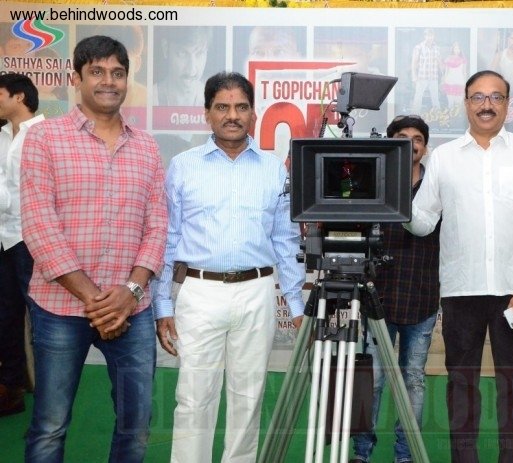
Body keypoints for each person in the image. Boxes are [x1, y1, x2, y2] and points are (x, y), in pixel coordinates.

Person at [20, 35, 167, 462]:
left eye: (118, 73)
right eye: (97, 72)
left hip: (132, 310)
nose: (109, 81)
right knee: (50, 427)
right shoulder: (44, 138)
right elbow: (40, 227)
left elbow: (158, 226)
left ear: (127, 80)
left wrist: (130, 294)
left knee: (137, 427)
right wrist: (98, 302)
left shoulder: (146, 146)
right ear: (76, 78)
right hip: (59, 308)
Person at [152, 71, 305, 463]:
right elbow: (168, 238)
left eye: (241, 107)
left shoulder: (274, 169)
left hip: (257, 291)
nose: (232, 115)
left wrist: (296, 303)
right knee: (193, 398)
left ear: (253, 113)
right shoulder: (183, 166)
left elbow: (285, 240)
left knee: (248, 398)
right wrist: (162, 305)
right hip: (199, 292)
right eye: (222, 107)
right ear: (207, 113)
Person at [404, 70, 513, 462]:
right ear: (466, 103)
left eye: (495, 97)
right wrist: (393, 202)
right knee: (462, 388)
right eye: (478, 97)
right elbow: (423, 221)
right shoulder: (444, 158)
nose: (486, 105)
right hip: (461, 291)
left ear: (508, 104)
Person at [350, 115, 440, 463]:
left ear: (425, 147)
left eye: (417, 138)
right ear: (390, 143)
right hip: (378, 297)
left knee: (413, 381)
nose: (410, 144)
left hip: (422, 296)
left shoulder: (437, 186)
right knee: (370, 380)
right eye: (402, 137)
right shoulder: (374, 183)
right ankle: (361, 452)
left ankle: (407, 454)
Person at [0, 73, 44, 417]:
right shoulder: (0, 135)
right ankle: (12, 388)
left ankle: (49, 391)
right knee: (6, 317)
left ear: (19, 96)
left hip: (34, 240)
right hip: (4, 239)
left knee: (43, 320)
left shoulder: (46, 134)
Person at [153, 26, 212, 107]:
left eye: (199, 53)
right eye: (182, 53)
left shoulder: (215, 100)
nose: (191, 70)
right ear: (165, 48)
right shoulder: (147, 98)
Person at [411, 28, 442, 114]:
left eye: (431, 35)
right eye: (428, 35)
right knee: (418, 97)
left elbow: (439, 63)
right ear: (425, 36)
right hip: (422, 77)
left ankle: (439, 117)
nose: (429, 37)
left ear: (434, 36)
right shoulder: (419, 47)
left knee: (435, 98)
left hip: (433, 77)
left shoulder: (437, 48)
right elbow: (414, 63)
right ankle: (414, 116)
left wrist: (443, 75)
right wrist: (414, 77)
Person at [443, 42, 468, 108]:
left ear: (460, 49)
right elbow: (446, 72)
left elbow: (464, 72)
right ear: (453, 49)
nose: (456, 50)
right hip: (450, 81)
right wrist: (444, 80)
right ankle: (450, 113)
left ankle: (457, 114)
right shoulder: (448, 59)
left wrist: (465, 82)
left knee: (458, 103)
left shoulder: (463, 60)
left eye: (458, 48)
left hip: (460, 81)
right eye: (455, 48)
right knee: (450, 103)